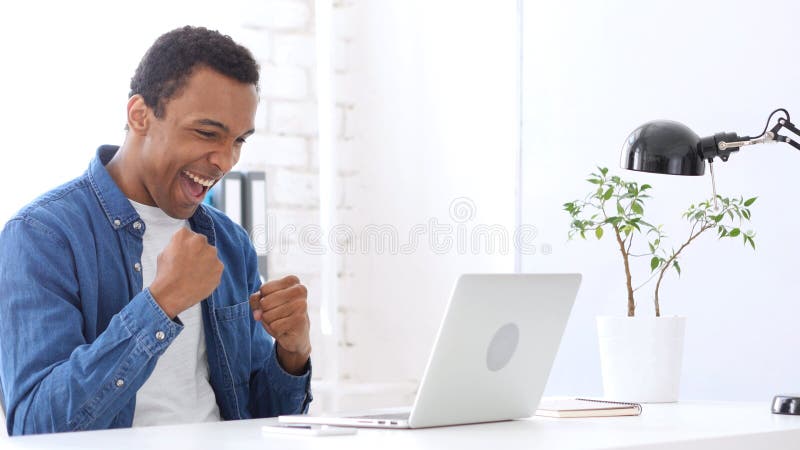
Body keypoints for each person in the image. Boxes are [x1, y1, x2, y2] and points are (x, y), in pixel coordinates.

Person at [0, 26, 312, 436]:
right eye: (207, 133)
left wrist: (292, 354)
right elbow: (36, 427)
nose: (225, 160)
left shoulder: (230, 243)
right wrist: (161, 303)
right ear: (140, 115)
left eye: (239, 140)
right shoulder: (42, 236)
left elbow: (255, 419)